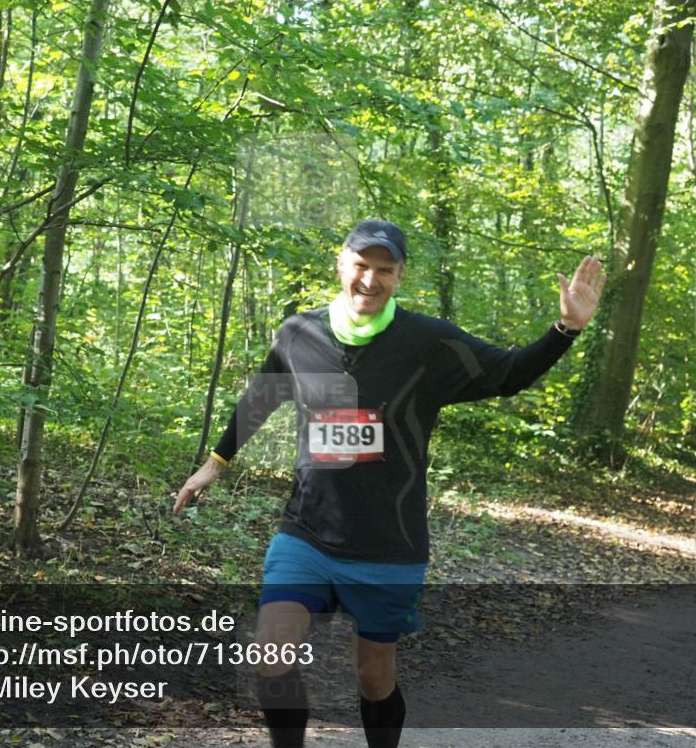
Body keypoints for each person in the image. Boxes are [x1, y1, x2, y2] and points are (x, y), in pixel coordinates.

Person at [173, 219, 606, 748]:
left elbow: (511, 374)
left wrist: (565, 330)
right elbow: (263, 396)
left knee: (373, 678)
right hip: (305, 532)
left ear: (400, 276)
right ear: (341, 265)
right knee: (271, 655)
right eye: (361, 265)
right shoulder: (299, 333)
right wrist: (215, 461)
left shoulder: (428, 343)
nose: (370, 280)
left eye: (385, 270)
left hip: (387, 543)